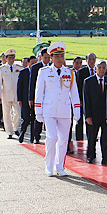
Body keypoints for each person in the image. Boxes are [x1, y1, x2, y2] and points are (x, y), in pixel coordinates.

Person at [35, 42, 80, 177]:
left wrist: (76, 111)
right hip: (49, 109)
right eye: (57, 56)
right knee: (52, 137)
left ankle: (60, 166)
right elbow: (39, 92)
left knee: (63, 140)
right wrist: (38, 110)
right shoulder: (44, 72)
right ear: (51, 58)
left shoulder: (69, 72)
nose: (60, 59)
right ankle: (49, 165)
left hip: (65, 110)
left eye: (62, 56)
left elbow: (74, 93)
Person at [83, 59, 107, 164]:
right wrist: (88, 115)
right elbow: (86, 100)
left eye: (104, 68)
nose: (102, 70)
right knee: (92, 137)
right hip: (93, 115)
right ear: (95, 68)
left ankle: (105, 157)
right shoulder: (88, 81)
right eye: (99, 68)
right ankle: (91, 156)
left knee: (106, 137)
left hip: (105, 115)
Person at [0, 49, 22, 139]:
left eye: (13, 57)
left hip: (16, 95)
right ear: (6, 58)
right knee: (6, 114)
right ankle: (9, 132)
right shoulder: (2, 69)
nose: (11, 59)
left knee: (17, 113)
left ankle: (14, 127)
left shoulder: (18, 68)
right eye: (10, 58)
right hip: (6, 94)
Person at [30, 48, 52, 144]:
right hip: (39, 96)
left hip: (50, 96)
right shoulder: (36, 67)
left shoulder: (53, 66)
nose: (47, 59)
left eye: (48, 57)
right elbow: (31, 84)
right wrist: (31, 98)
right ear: (41, 57)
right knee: (38, 118)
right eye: (45, 57)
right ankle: (36, 136)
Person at [75, 53, 97, 141]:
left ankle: (91, 137)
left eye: (93, 59)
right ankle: (79, 138)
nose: (92, 61)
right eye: (90, 59)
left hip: (94, 100)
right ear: (86, 60)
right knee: (80, 120)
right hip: (83, 100)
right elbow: (78, 86)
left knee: (91, 120)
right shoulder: (82, 72)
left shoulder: (98, 70)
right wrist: (79, 99)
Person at [17, 56, 37, 143]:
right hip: (24, 99)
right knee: (26, 118)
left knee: (33, 119)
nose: (34, 65)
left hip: (35, 100)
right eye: (32, 63)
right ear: (28, 63)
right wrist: (19, 99)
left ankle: (33, 137)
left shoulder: (38, 72)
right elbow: (19, 87)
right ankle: (22, 133)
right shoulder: (23, 72)